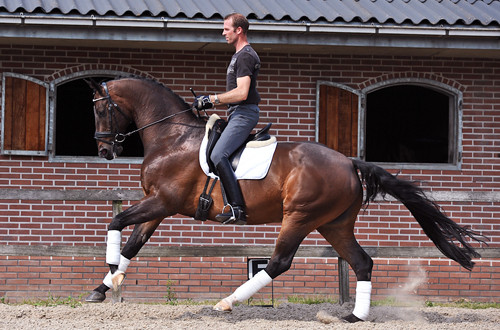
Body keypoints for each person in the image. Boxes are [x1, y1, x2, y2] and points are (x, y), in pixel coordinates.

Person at [193, 13, 261, 225]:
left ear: (238, 30)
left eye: (226, 29)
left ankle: (237, 209)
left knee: (218, 154)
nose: (223, 33)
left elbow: (242, 93)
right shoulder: (238, 56)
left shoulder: (245, 56)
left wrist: (211, 99)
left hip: (244, 113)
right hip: (236, 114)